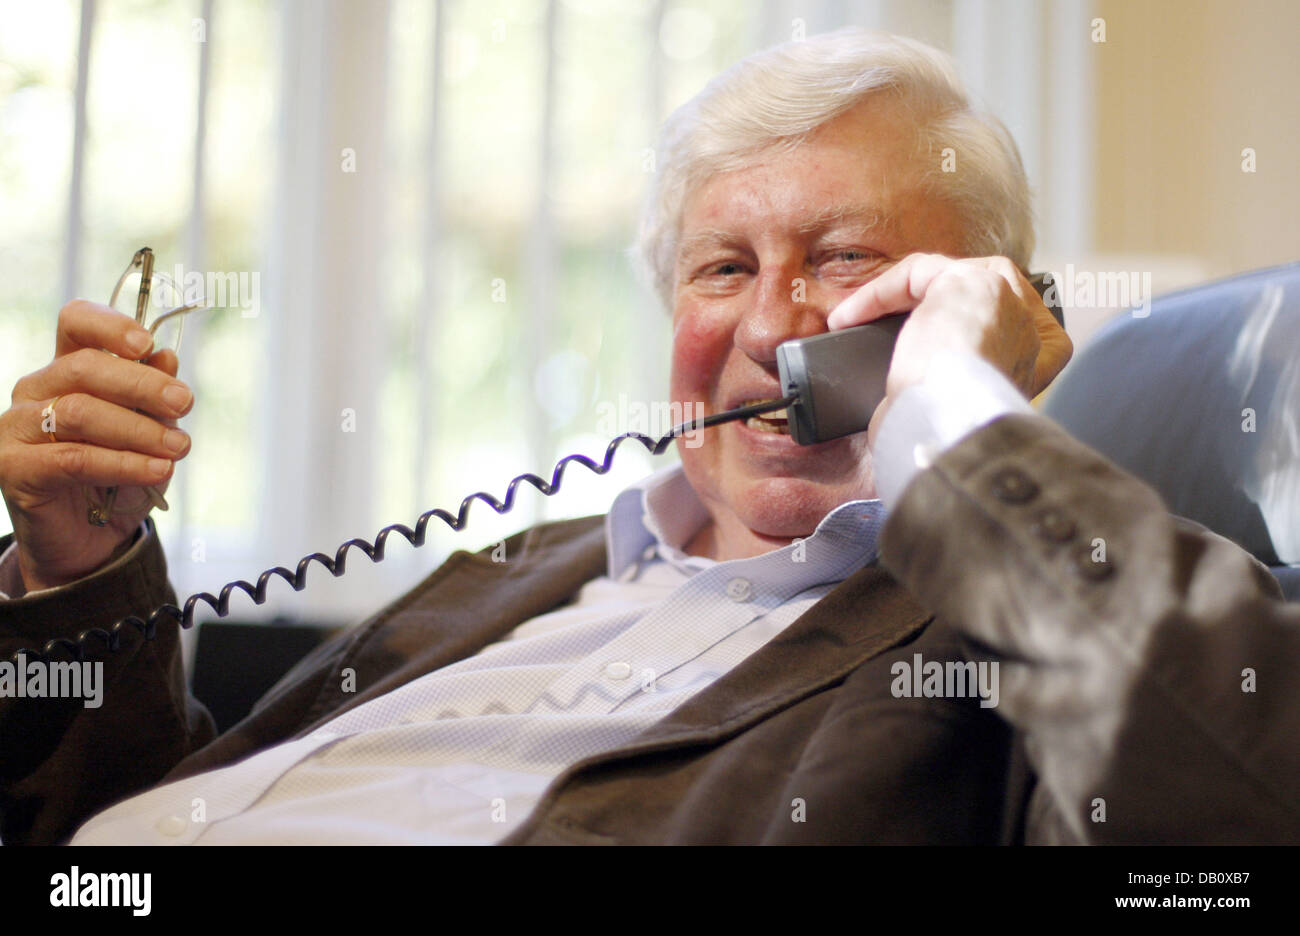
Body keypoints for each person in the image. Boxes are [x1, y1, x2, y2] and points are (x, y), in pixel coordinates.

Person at [1, 29, 1296, 845]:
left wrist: (959, 412)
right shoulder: (522, 574)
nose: (772, 329)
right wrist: (81, 574)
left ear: (998, 311)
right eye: (721, 268)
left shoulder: (1026, 626)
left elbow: (1245, 791)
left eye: (849, 261)